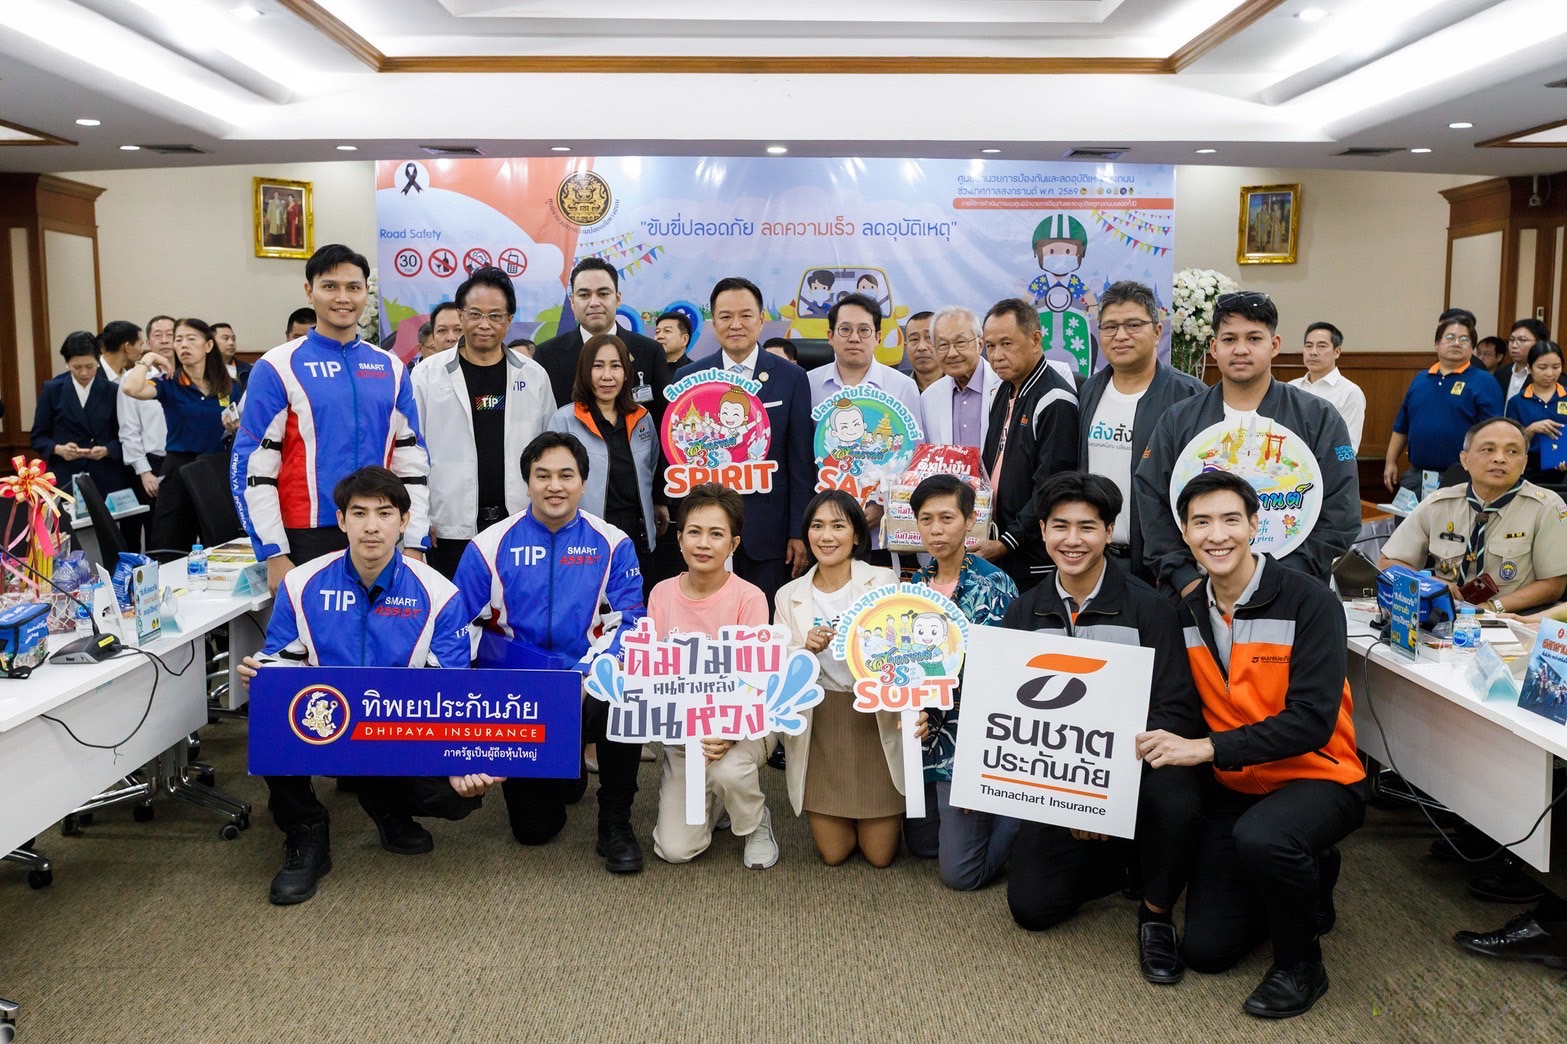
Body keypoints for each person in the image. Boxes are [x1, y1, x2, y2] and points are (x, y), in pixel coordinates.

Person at [1136, 469, 1365, 1019]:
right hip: (1238, 786)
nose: (1217, 535)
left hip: (1321, 775)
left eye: (1230, 520)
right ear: (1185, 534)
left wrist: (1207, 749)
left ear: (1255, 525)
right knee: (1206, 952)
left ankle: (1302, 966)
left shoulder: (1310, 601)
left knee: (1265, 837)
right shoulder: (1185, 609)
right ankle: (1307, 872)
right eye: (1201, 523)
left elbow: (1312, 721)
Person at [236, 467, 494, 906]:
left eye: (384, 513)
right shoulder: (301, 583)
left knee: (455, 797)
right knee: (271, 708)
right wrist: (263, 673)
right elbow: (280, 659)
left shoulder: (440, 594)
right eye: (359, 513)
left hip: (399, 731)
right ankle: (305, 832)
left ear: (404, 521)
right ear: (341, 521)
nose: (372, 526)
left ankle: (386, 803)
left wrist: (460, 758)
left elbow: (450, 688)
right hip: (327, 725)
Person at [1001, 473, 1206, 988]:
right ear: (1043, 531)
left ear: (1110, 531)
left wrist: (1103, 794)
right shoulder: (1024, 611)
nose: (1073, 540)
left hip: (1136, 769)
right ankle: (1122, 857)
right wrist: (1074, 800)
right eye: (1060, 526)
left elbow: (1176, 709)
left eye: (1088, 527)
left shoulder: (1150, 608)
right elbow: (1005, 707)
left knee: (1179, 798)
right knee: (1031, 907)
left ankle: (1156, 914)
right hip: (1059, 773)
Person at [452, 432, 648, 872]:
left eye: (566, 475)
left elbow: (631, 623)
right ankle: (566, 764)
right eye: (543, 476)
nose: (554, 486)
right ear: (527, 482)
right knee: (534, 831)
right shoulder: (488, 545)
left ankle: (615, 822)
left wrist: (585, 675)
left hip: (585, 685)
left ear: (582, 482)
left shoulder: (613, 543)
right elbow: (458, 627)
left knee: (626, 693)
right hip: (518, 697)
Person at [232, 243, 431, 595]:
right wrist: (274, 552)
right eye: (330, 286)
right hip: (305, 535)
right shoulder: (276, 366)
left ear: (366, 293)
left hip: (379, 530)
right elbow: (253, 466)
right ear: (310, 292)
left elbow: (411, 461)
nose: (343, 297)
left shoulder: (392, 368)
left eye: (353, 287)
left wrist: (415, 542)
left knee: (382, 629)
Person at [1138, 291, 1358, 598]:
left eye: (1254, 338)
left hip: (1292, 593)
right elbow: (1153, 503)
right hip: (1194, 595)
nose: (1241, 349)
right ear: (1214, 348)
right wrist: (1186, 579)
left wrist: (1280, 581)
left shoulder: (1319, 417)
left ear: (1275, 345)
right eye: (1229, 339)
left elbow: (1340, 513)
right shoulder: (1178, 420)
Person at [646, 483, 778, 869]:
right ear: (680, 538)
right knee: (675, 850)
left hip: (745, 728)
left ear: (733, 544)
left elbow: (757, 680)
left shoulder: (750, 597)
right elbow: (653, 672)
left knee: (728, 770)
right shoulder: (661, 594)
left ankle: (755, 821)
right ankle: (717, 802)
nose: (704, 543)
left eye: (716, 534)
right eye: (694, 532)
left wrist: (731, 733)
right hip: (685, 736)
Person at [901, 475, 1019, 889]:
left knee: (961, 875)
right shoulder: (914, 585)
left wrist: (979, 770)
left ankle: (1022, 813)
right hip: (924, 737)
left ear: (970, 521)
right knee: (921, 846)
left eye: (947, 518)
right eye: (926, 519)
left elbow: (1002, 679)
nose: (936, 530)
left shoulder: (995, 584)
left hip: (969, 739)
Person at [774, 491, 902, 867]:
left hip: (874, 716)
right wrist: (804, 650)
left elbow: (905, 651)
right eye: (817, 526)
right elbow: (777, 670)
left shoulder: (883, 580)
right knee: (834, 853)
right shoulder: (788, 595)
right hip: (821, 719)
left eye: (837, 526)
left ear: (857, 534)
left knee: (880, 856)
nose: (826, 536)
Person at [676, 276, 814, 608]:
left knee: (766, 620)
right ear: (713, 323)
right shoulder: (688, 379)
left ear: (761, 319)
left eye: (745, 315)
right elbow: (678, 454)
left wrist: (798, 531)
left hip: (769, 535)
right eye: (725, 316)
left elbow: (800, 462)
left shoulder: (792, 377)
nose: (735, 324)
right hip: (707, 535)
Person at [413, 266, 555, 579]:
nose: (484, 324)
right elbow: (411, 453)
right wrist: (418, 519)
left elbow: (550, 452)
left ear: (509, 319)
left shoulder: (534, 376)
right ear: (460, 315)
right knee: (454, 606)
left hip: (521, 524)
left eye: (495, 316)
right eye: (475, 314)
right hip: (448, 529)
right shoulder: (427, 375)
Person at [1076, 281, 1205, 586]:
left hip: (1165, 565)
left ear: (1157, 332)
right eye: (1110, 327)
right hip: (1097, 558)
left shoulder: (1189, 395)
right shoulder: (1090, 390)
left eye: (1133, 325)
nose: (1121, 335)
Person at [1379, 417, 1567, 612]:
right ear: (1465, 460)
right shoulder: (1439, 504)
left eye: (1512, 451)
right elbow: (1387, 563)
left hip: (1511, 616)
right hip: (1443, 614)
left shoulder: (1546, 507)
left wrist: (1492, 608)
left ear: (1524, 463)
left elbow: (1554, 585)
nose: (1500, 458)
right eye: (1488, 449)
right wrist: (1433, 585)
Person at [977, 298, 1080, 591]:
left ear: (1035, 340)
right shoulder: (1002, 390)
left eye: (1006, 344)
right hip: (999, 546)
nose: (996, 355)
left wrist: (1007, 542)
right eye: (990, 346)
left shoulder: (1055, 399)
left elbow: (1051, 487)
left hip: (1034, 557)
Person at [546, 333, 664, 580]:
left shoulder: (643, 418)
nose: (607, 376)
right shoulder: (564, 420)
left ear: (627, 372)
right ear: (584, 371)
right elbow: (552, 481)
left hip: (636, 535)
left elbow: (651, 467)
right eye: (598, 366)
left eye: (616, 366)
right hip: (583, 538)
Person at [120, 318, 237, 551]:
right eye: (179, 340)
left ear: (208, 345)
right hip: (178, 469)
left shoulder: (228, 385)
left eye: (191, 339)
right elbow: (130, 388)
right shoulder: (169, 383)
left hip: (216, 468)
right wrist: (148, 359)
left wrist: (236, 427)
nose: (183, 345)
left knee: (220, 542)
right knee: (171, 543)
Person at [534, 257, 670, 423]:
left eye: (603, 294)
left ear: (618, 299)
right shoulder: (546, 355)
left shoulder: (650, 351)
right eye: (584, 295)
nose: (594, 303)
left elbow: (663, 420)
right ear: (572, 302)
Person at [1383, 314, 1506, 496]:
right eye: (1450, 337)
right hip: (1417, 475)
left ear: (1472, 348)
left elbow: (1494, 433)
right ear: (1436, 344)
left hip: (1462, 476)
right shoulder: (1420, 380)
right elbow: (1402, 426)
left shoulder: (1484, 382)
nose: (1457, 343)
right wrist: (1390, 461)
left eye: (1464, 339)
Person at [30, 331, 127, 499]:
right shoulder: (53, 390)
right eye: (76, 367)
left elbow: (124, 435)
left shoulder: (112, 390)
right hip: (66, 475)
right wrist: (59, 449)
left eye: (90, 366)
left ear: (98, 360)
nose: (83, 373)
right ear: (67, 363)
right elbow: (38, 436)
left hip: (105, 474)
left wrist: (107, 450)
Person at [806, 292, 925, 428]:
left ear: (877, 338)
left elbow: (914, 440)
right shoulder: (808, 383)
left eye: (864, 330)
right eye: (845, 329)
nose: (854, 338)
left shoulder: (903, 387)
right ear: (831, 336)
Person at [920, 305, 1001, 450]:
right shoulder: (929, 398)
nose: (952, 353)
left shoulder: (1005, 386)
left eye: (961, 343)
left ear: (979, 344)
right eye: (943, 345)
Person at [1288, 321, 1366, 454]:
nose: (1313, 352)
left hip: (1328, 465)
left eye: (1322, 346)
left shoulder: (1350, 392)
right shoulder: (1291, 387)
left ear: (1337, 352)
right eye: (1308, 346)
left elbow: (1348, 448)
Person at [1504, 341, 1567, 488]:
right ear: (1529, 368)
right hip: (1527, 470)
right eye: (1542, 367)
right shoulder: (1517, 402)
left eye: (1556, 367)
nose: (1550, 373)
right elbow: (1508, 441)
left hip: (1563, 471)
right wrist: (1531, 429)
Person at [1502, 319, 1550, 402]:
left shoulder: (1548, 377)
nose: (1514, 346)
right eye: (1512, 340)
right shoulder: (1502, 372)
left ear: (1539, 343)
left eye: (1522, 340)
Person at [903, 310, 940, 392]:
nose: (921, 347)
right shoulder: (896, 390)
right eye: (914, 339)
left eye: (929, 337)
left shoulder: (960, 386)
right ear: (906, 347)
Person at [211, 321, 251, 387]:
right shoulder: (202, 369)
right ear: (211, 343)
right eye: (225, 338)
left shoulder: (247, 370)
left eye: (233, 339)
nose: (231, 343)